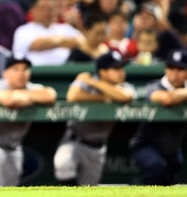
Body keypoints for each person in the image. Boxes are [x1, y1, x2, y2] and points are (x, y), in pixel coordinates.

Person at [0, 57, 56, 186]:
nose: (21, 73)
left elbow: (50, 95)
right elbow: (9, 101)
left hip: (13, 148)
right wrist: (31, 98)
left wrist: (21, 96)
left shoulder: (32, 87)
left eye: (25, 69)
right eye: (16, 69)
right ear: (5, 73)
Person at [54, 51, 136, 186]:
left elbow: (125, 97)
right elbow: (72, 96)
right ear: (103, 72)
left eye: (122, 68)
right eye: (116, 69)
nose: (121, 72)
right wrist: (104, 98)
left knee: (89, 189)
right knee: (63, 164)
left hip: (98, 147)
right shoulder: (85, 82)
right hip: (75, 140)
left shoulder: (123, 86)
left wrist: (92, 82)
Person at [130, 49, 187, 185]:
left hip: (173, 149)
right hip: (146, 145)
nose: (175, 73)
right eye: (171, 67)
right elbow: (167, 99)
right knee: (156, 167)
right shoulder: (154, 86)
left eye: (180, 68)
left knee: (171, 180)